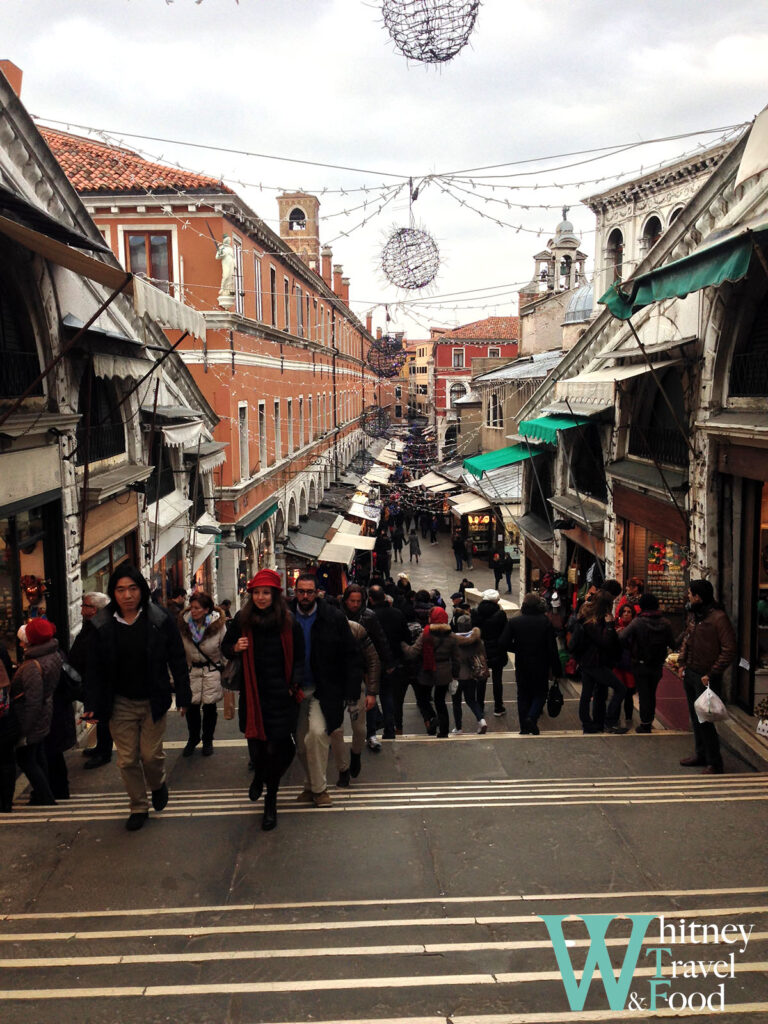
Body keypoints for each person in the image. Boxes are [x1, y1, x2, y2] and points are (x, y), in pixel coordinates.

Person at [83, 565, 191, 831]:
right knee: (127, 758)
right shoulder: (101, 624)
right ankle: (138, 806)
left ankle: (157, 783)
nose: (127, 595)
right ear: (113, 593)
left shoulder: (159, 619)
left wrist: (185, 695)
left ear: (141, 590)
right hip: (119, 701)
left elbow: (177, 658)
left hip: (153, 699)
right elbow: (92, 668)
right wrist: (91, 705)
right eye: (121, 590)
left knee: (151, 756)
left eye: (132, 589)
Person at [222, 569, 304, 829]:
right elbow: (225, 646)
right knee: (256, 748)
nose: (260, 597)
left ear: (275, 595)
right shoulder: (241, 621)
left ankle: (271, 801)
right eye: (256, 593)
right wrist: (235, 648)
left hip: (281, 695)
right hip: (253, 694)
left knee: (275, 749)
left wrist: (294, 684)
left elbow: (300, 657)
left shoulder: (289, 623)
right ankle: (259, 775)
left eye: (265, 593)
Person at [291, 573, 361, 807]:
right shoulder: (286, 616)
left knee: (318, 735)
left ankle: (320, 790)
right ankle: (311, 785)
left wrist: (351, 694)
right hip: (295, 689)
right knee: (300, 744)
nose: (305, 596)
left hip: (325, 689)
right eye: (301, 591)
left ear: (317, 593)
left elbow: (351, 656)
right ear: (295, 591)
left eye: (309, 592)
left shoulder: (334, 618)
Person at [677, 580, 736, 774]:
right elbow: (687, 639)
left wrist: (712, 673)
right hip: (691, 672)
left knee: (706, 719)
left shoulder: (718, 618)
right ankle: (700, 754)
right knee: (695, 717)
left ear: (699, 596)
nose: (688, 596)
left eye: (690, 594)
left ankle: (714, 761)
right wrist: (682, 663)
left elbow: (729, 649)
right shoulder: (695, 616)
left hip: (706, 676)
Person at [13, 619, 61, 806]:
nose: (20, 644)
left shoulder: (33, 665)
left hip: (32, 717)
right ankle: (43, 793)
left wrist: (24, 731)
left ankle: (45, 796)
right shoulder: (52, 654)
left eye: (23, 640)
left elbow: (33, 700)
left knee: (26, 759)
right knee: (38, 755)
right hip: (44, 713)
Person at [341, 585, 393, 749]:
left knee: (368, 702)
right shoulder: (337, 616)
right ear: (346, 600)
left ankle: (371, 734)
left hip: (363, 666)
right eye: (352, 601)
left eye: (358, 601)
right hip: (342, 667)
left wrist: (387, 661)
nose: (355, 604)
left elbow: (380, 639)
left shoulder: (369, 616)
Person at [330, 612, 379, 786]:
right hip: (333, 687)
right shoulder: (323, 629)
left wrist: (372, 692)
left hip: (355, 684)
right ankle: (343, 769)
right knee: (335, 731)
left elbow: (373, 659)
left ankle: (356, 754)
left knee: (359, 729)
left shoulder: (356, 629)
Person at [568, 592, 626, 734]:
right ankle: (609, 721)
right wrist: (611, 626)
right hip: (594, 663)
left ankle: (592, 724)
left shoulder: (589, 619)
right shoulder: (592, 623)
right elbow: (604, 642)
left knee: (588, 693)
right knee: (620, 688)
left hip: (589, 662)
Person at [503, 594, 562, 735]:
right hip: (541, 663)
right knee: (540, 693)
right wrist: (557, 669)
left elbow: (503, 642)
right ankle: (532, 717)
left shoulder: (515, 622)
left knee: (523, 694)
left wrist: (518, 648)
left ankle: (524, 726)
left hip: (522, 663)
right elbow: (552, 648)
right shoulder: (545, 622)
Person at [178, 592, 226, 758]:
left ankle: (207, 740)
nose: (193, 611)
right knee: (191, 708)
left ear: (206, 610)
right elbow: (178, 652)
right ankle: (193, 738)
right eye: (191, 607)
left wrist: (226, 671)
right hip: (191, 671)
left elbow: (224, 648)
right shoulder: (184, 625)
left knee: (210, 708)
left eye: (197, 608)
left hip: (211, 671)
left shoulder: (217, 625)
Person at [69, 591, 113, 769]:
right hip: (91, 679)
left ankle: (104, 753)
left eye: (84, 605)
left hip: (98, 682)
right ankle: (100, 748)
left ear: (94, 609)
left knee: (102, 719)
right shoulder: (93, 624)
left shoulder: (101, 627)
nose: (80, 609)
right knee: (98, 717)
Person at [619, 593, 675, 732]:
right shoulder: (665, 622)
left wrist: (631, 646)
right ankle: (649, 720)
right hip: (657, 664)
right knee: (652, 693)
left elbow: (622, 637)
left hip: (640, 663)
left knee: (644, 694)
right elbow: (673, 644)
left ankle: (645, 723)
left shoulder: (638, 622)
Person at [403, 607, 459, 738]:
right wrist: (455, 675)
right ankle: (444, 731)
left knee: (423, 699)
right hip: (445, 672)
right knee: (440, 701)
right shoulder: (452, 636)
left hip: (427, 671)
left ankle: (432, 718)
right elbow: (456, 658)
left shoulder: (426, 634)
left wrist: (403, 645)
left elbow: (412, 653)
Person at [368, 584, 412, 738]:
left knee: (370, 694)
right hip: (393, 662)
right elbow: (407, 637)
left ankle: (373, 729)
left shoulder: (369, 615)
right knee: (388, 696)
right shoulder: (397, 613)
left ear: (371, 599)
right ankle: (390, 729)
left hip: (373, 662)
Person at [471, 589, 508, 717]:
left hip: (481, 650)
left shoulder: (475, 613)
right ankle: (498, 707)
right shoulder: (500, 615)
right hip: (497, 650)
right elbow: (505, 633)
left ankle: (480, 707)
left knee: (481, 680)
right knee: (497, 680)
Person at [451, 614, 488, 735]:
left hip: (456, 676)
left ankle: (458, 727)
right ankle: (481, 720)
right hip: (471, 675)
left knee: (456, 703)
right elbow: (483, 656)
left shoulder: (454, 640)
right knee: (472, 700)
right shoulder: (477, 640)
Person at [614, 603, 638, 727]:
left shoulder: (635, 628)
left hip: (629, 665)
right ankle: (616, 717)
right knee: (618, 691)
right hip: (618, 664)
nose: (626, 614)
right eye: (624, 611)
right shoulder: (615, 627)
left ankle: (629, 717)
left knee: (629, 692)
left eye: (629, 612)